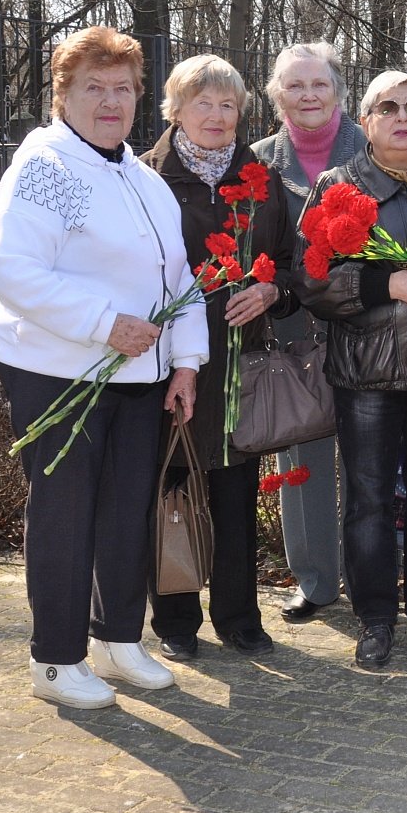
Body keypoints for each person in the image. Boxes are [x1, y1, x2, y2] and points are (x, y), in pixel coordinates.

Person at [0, 26, 208, 708]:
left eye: (123, 89)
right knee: (66, 511)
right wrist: (102, 324)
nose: (110, 103)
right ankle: (55, 659)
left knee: (124, 509)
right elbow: (12, 270)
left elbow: (180, 278)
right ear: (64, 96)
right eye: (94, 88)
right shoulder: (46, 167)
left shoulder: (141, 177)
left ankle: (116, 639)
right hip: (60, 371)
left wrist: (187, 361)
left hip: (139, 377)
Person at [300, 70, 407, 669]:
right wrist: (388, 282)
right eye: (388, 107)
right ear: (367, 121)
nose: (403, 116)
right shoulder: (337, 185)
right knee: (369, 499)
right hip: (368, 371)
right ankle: (374, 616)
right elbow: (311, 281)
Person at [140, 54, 300, 661]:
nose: (215, 115)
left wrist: (271, 291)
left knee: (235, 496)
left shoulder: (260, 178)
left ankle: (238, 616)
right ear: (175, 109)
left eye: (227, 104)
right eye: (202, 102)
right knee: (174, 492)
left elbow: (290, 264)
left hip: (239, 364)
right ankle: (176, 623)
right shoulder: (149, 177)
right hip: (167, 365)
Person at [251, 42, 365, 623]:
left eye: (319, 84)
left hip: (369, 323)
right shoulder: (256, 162)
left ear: (338, 90)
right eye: (295, 86)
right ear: (276, 96)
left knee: (372, 459)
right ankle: (317, 581)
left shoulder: (373, 148)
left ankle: (375, 580)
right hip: (293, 330)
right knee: (305, 455)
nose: (309, 95)